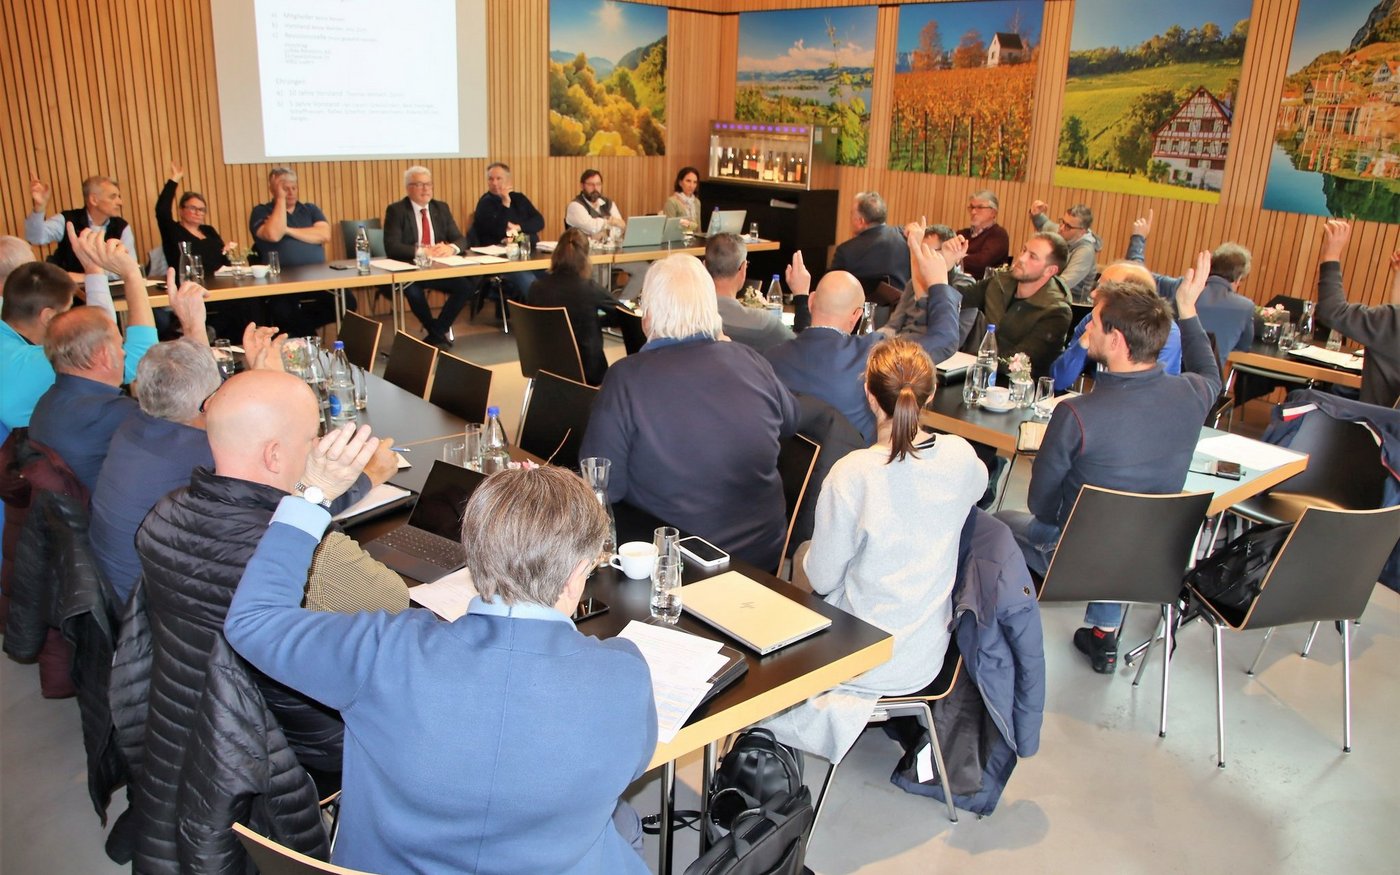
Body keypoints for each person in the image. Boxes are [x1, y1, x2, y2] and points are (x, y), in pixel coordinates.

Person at [224, 464, 655, 874]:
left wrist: (311, 494)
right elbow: (626, 769)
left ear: (474, 555)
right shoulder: (624, 676)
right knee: (622, 821)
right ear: (578, 572)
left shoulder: (383, 651)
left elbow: (252, 620)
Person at [119, 371, 405, 872]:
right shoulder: (318, 561)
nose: (318, 447)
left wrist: (319, 496)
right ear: (275, 456)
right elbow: (395, 603)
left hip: (193, 725)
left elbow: (252, 516)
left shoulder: (164, 515)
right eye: (312, 439)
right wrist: (317, 501)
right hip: (302, 744)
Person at [761, 338, 985, 763]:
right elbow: (978, 488)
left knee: (803, 558)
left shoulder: (853, 474)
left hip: (862, 659)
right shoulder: (961, 457)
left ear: (868, 393)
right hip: (925, 657)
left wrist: (802, 557)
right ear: (930, 395)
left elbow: (822, 579)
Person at [996, 254, 1222, 674]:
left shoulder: (1077, 414)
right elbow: (1212, 372)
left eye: (1094, 323)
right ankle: (1103, 633)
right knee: (1118, 521)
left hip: (1077, 559)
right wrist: (1187, 308)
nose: (1087, 329)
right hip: (1153, 557)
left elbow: (1041, 506)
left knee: (992, 524)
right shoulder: (1193, 393)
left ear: (1116, 340)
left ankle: (1002, 636)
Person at [580, 254, 800, 570]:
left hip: (675, 562)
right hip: (762, 559)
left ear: (648, 316)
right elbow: (791, 421)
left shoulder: (626, 378)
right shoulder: (751, 360)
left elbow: (603, 485)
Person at [88, 326, 282, 604]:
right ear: (210, 401)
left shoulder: (131, 426)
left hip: (121, 589)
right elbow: (287, 491)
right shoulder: (207, 456)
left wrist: (258, 380)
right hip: (160, 607)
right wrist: (273, 385)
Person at [765, 229, 961, 444]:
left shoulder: (771, 359)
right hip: (855, 461)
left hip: (790, 463)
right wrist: (939, 283)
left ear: (812, 303)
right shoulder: (872, 356)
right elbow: (944, 339)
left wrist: (801, 296)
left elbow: (810, 343)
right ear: (856, 315)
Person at [28, 275, 206, 493]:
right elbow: (193, 432)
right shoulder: (112, 412)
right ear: (104, 355)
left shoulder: (45, 403)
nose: (124, 353)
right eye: (120, 345)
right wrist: (193, 326)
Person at [1, 229, 156, 435]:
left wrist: (93, 270)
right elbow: (137, 359)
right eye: (66, 310)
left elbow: (99, 336)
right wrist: (132, 275)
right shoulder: (36, 364)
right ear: (48, 316)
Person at [1125, 210, 1254, 369]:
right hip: (1208, 380)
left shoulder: (1183, 287)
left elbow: (1136, 275)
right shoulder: (1245, 307)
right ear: (1239, 279)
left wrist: (1138, 238)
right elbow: (1245, 346)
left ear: (1209, 266)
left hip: (1169, 374)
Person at [1047, 260, 1182, 392]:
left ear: (1130, 296)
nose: (1093, 294)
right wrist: (1083, 343)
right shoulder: (1092, 321)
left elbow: (1152, 392)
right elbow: (1058, 380)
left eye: (1103, 288)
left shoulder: (1165, 332)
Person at [383, 165, 477, 349]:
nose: (426, 189)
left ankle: (435, 334)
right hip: (410, 270)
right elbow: (392, 247)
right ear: (408, 188)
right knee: (413, 291)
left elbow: (461, 239)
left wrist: (451, 248)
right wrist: (422, 251)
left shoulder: (440, 208)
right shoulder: (397, 210)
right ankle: (437, 334)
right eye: (419, 184)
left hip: (438, 268)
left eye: (428, 184)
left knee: (465, 287)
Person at [958, 232, 1073, 379]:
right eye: (1024, 250)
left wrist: (971, 360)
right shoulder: (1000, 282)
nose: (1021, 258)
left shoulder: (1056, 311)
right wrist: (948, 264)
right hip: (984, 373)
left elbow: (1018, 361)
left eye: (1032, 256)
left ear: (1050, 270)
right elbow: (958, 298)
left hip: (1022, 385)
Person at [1315, 219, 1399, 408]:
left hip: (1377, 424)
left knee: (1300, 399)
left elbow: (1332, 310)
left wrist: (1331, 255)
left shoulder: (1391, 321)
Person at [526, 228, 622, 386]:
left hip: (544, 365)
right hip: (586, 369)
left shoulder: (536, 287)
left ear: (556, 254)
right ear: (585, 258)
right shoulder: (589, 288)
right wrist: (597, 321)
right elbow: (623, 314)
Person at [249, 167, 334, 337]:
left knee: (346, 302)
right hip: (281, 281)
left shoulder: (310, 209)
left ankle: (302, 332)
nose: (290, 192)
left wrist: (287, 230)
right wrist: (280, 200)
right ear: (273, 189)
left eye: (293, 187)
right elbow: (274, 234)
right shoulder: (262, 211)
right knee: (283, 310)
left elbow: (324, 235)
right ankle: (307, 336)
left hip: (316, 277)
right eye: (284, 188)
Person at [704, 232, 809, 352]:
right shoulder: (763, 324)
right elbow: (803, 349)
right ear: (743, 268)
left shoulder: (689, 316)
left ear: (704, 266)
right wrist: (802, 295)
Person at [25, 175, 136, 277]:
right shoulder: (68, 220)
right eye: (113, 197)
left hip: (111, 290)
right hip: (70, 290)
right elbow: (35, 237)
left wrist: (88, 277)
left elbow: (131, 268)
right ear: (94, 200)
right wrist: (40, 207)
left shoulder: (122, 226)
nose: (120, 202)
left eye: (119, 197)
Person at [471, 162, 545, 306]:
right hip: (502, 261)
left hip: (527, 256)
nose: (494, 183)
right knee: (529, 281)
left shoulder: (519, 198)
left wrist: (518, 228)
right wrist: (505, 204)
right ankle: (538, 316)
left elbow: (539, 221)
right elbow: (498, 234)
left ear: (508, 181)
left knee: (552, 276)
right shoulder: (485, 203)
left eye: (499, 179)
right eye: (491, 179)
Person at [829, 191, 910, 293]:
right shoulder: (905, 236)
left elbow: (831, 288)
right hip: (903, 302)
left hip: (860, 303)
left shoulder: (845, 252)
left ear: (860, 221)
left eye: (851, 213)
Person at [1028, 200, 1101, 299]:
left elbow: (1063, 283)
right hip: (1052, 296)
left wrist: (1031, 284)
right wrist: (1037, 214)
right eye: (1062, 222)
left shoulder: (1085, 252)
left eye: (1068, 226)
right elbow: (1045, 225)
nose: (1061, 228)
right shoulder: (1063, 232)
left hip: (1071, 301)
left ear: (1082, 232)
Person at [957, 189, 1010, 280]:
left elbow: (982, 262)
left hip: (984, 286)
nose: (973, 212)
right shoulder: (961, 234)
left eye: (980, 207)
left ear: (993, 212)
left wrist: (956, 258)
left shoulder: (998, 235)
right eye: (971, 207)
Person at [662, 166, 701, 231]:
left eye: (695, 182)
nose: (691, 185)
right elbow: (669, 229)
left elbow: (698, 229)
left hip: (694, 237)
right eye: (688, 181)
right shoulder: (671, 202)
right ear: (680, 183)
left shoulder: (696, 202)